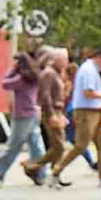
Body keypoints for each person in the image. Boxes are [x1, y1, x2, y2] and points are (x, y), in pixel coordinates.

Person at [49, 48, 101, 188]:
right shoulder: (88, 70)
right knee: (81, 145)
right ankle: (56, 172)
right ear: (100, 57)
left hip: (96, 110)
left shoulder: (92, 69)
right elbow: (88, 92)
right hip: (86, 111)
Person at [0, 51, 46, 187]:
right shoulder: (34, 76)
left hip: (22, 115)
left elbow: (4, 84)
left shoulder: (21, 79)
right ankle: (41, 174)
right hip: (33, 113)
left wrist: (12, 69)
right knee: (36, 146)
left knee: (14, 146)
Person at [24, 47, 69, 187]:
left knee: (58, 145)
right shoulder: (48, 74)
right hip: (52, 112)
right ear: (57, 59)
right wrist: (51, 115)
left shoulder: (56, 73)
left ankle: (54, 174)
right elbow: (45, 95)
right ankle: (33, 166)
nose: (66, 62)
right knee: (59, 146)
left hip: (58, 111)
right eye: (64, 59)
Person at [61, 60, 98, 171]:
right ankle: (91, 161)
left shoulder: (69, 84)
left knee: (72, 139)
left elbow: (65, 98)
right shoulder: (81, 83)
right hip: (80, 111)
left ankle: (55, 165)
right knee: (76, 139)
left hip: (70, 112)